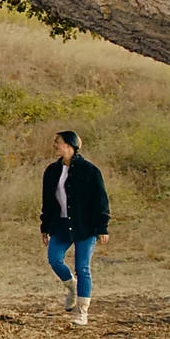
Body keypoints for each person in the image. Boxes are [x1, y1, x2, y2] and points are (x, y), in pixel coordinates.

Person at [40, 130, 110, 326]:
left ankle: (82, 312)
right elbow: (47, 201)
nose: (54, 145)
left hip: (85, 226)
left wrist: (102, 227)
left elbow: (101, 200)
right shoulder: (51, 171)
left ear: (69, 146)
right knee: (54, 259)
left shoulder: (90, 171)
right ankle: (72, 286)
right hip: (61, 225)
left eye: (58, 142)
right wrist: (45, 226)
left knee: (83, 267)